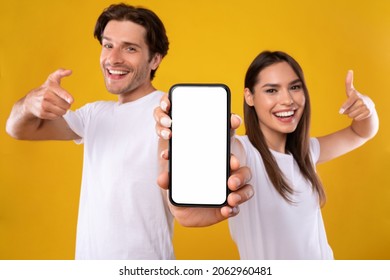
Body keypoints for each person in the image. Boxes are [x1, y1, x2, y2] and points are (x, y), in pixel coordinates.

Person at [5, 3, 252, 260]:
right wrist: (30, 103)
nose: (113, 58)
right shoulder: (94, 115)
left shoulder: (171, 113)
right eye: (108, 45)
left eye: (130, 48)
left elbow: (203, 188)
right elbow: (18, 128)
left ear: (155, 59)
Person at [155, 50, 379, 259]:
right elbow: (206, 162)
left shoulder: (306, 152)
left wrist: (366, 106)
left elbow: (361, 132)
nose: (287, 100)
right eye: (271, 90)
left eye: (295, 87)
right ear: (249, 97)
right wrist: (170, 133)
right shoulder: (243, 152)